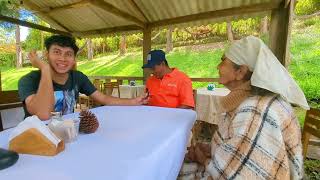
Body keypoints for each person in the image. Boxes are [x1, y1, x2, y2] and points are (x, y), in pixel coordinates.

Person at [184, 36, 308, 179]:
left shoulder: (255, 111)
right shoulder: (253, 101)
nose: (218, 67)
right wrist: (212, 149)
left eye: (223, 61)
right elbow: (241, 147)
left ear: (240, 72)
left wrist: (203, 159)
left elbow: (240, 175)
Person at [18, 35, 147, 120]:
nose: (62, 59)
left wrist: (133, 101)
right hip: (35, 138)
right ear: (46, 54)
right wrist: (45, 69)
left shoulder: (78, 77)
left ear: (74, 59)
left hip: (66, 133)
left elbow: (103, 98)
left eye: (68, 54)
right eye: (56, 52)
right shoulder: (28, 80)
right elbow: (43, 114)